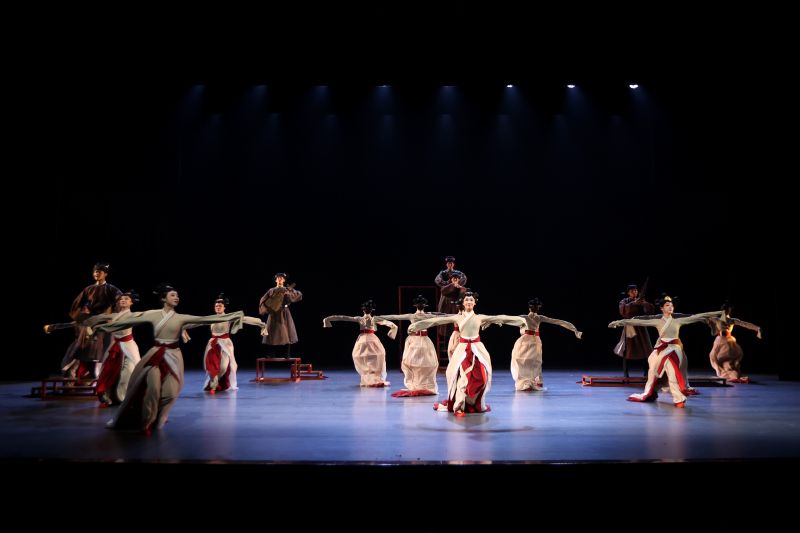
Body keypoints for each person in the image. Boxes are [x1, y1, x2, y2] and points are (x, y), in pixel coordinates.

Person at [96, 283, 244, 435]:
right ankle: (147, 421)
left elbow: (204, 319)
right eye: (173, 295)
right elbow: (127, 321)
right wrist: (100, 326)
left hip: (173, 355)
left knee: (171, 393)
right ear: (163, 299)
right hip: (155, 354)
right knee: (152, 389)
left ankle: (160, 416)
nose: (176, 297)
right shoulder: (153, 314)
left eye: (177, 295)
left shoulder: (180, 318)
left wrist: (233, 315)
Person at [408, 291, 523, 416]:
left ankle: (471, 401)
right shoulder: (457, 317)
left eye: (471, 300)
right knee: (462, 377)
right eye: (467, 300)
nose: (469, 302)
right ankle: (459, 405)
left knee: (481, 377)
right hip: (462, 349)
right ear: (463, 302)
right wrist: (417, 325)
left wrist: (520, 320)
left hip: (477, 348)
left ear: (475, 303)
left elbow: (501, 317)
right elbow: (437, 321)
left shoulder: (479, 317)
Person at [609, 295, 723, 407]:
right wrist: (618, 322)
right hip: (662, 349)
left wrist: (718, 313)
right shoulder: (657, 321)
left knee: (671, 370)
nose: (670, 307)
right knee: (656, 373)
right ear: (662, 308)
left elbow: (697, 316)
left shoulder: (678, 320)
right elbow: (637, 321)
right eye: (667, 305)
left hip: (675, 349)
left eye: (671, 305)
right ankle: (655, 391)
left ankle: (678, 398)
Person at [482, 298, 582, 391]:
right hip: (525, 341)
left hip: (535, 341)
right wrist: (492, 321)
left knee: (535, 361)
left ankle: (535, 381)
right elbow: (507, 319)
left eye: (537, 306)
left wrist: (574, 330)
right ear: (530, 307)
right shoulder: (524, 318)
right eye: (534, 306)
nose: (535, 308)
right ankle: (525, 382)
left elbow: (558, 322)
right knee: (521, 360)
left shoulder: (538, 318)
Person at [46, 262, 122, 382]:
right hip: (89, 322)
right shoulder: (88, 289)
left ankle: (100, 379)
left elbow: (120, 301)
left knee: (103, 352)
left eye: (99, 271)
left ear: (105, 274)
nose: (96, 273)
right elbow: (78, 304)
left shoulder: (112, 289)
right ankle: (72, 377)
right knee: (78, 351)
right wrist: (82, 316)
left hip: (104, 323)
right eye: (95, 271)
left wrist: (113, 316)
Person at [188, 293, 267, 394]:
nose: (218, 307)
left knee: (223, 367)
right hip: (213, 344)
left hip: (225, 344)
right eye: (216, 306)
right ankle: (213, 385)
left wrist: (261, 324)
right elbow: (198, 322)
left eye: (220, 306)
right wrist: (184, 326)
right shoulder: (211, 318)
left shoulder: (229, 317)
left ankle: (216, 383)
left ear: (224, 307)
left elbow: (245, 319)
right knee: (210, 367)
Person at [84, 289, 142, 406]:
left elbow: (118, 325)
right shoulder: (114, 315)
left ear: (131, 302)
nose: (123, 300)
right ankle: (107, 395)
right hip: (115, 345)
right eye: (121, 299)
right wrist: (89, 324)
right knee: (108, 370)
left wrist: (98, 327)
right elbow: (96, 318)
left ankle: (124, 397)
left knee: (129, 371)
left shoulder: (133, 315)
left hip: (128, 345)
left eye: (126, 299)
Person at [377, 295, 444, 397]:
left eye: (422, 304)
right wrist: (380, 318)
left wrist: (458, 315)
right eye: (419, 304)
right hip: (414, 341)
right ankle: (415, 384)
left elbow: (444, 317)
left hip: (425, 340)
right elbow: (396, 316)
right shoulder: (412, 316)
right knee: (411, 362)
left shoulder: (428, 315)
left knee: (428, 363)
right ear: (416, 305)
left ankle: (424, 384)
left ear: (424, 305)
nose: (420, 305)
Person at [323, 300, 398, 387]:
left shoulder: (368, 319)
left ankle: (374, 376)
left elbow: (343, 317)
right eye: (366, 308)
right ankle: (370, 376)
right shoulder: (366, 319)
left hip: (368, 339)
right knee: (366, 356)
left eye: (367, 308)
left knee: (375, 355)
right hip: (367, 339)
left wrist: (328, 319)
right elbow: (344, 318)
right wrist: (393, 330)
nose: (366, 310)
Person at [707, 302, 762, 383]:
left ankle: (725, 371)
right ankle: (722, 370)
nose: (727, 311)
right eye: (726, 310)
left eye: (728, 310)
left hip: (727, 341)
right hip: (724, 341)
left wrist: (757, 328)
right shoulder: (717, 319)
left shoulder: (730, 320)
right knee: (717, 358)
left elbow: (744, 324)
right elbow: (702, 318)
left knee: (723, 360)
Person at [614, 283, 655, 378]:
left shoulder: (641, 301)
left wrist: (644, 303)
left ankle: (646, 372)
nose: (634, 292)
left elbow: (650, 310)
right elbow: (623, 311)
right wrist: (634, 303)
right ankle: (626, 373)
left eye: (636, 290)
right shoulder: (624, 301)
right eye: (632, 291)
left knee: (645, 348)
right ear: (628, 293)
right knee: (627, 349)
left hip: (641, 326)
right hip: (630, 327)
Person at [258, 273, 302, 357]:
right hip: (274, 313)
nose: (280, 279)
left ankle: (287, 353)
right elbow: (263, 300)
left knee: (287, 331)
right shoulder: (271, 290)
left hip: (284, 312)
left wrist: (289, 294)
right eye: (278, 278)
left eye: (282, 278)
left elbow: (298, 295)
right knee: (271, 331)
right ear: (275, 280)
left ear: (284, 280)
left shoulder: (287, 289)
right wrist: (266, 309)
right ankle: (271, 353)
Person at [434, 257, 467, 356]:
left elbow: (464, 278)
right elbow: (437, 280)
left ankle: (458, 342)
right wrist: (449, 283)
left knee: (456, 318)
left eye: (451, 263)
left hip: (456, 296)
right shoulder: (443, 273)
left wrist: (457, 284)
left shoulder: (458, 273)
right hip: (446, 297)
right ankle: (446, 343)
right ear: (446, 264)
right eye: (449, 263)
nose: (450, 264)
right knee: (445, 319)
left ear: (453, 264)